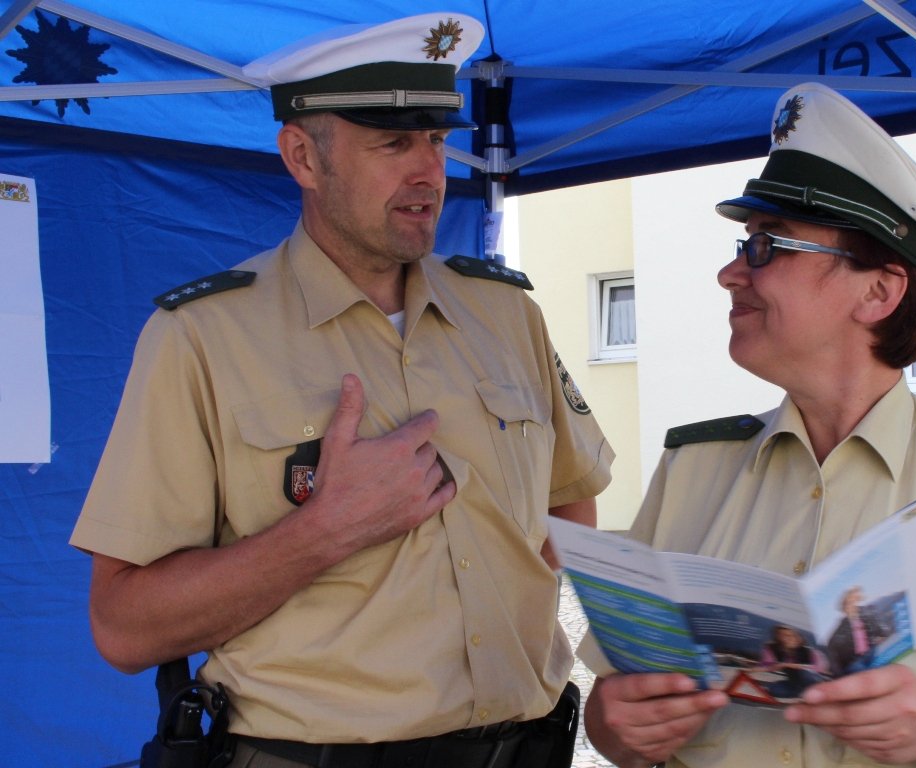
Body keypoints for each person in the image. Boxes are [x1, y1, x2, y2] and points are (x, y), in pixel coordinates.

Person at [69, 13, 614, 768]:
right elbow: (124, 627)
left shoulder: (507, 313)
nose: (429, 170)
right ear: (303, 156)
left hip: (526, 750)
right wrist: (323, 533)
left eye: (436, 139)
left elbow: (569, 506)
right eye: (392, 143)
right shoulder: (201, 336)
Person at [580, 83, 916, 767]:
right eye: (743, 244)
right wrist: (615, 722)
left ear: (878, 291)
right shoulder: (692, 470)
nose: (729, 273)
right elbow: (612, 720)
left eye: (766, 246)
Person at [823, 586, 891, 676]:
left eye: (852, 602)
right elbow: (831, 648)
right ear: (843, 608)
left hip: (871, 652)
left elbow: (882, 629)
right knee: (867, 675)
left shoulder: (867, 612)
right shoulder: (841, 628)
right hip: (855, 661)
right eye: (847, 604)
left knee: (884, 671)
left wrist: (881, 636)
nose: (850, 606)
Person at [756, 624, 827, 700]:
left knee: (804, 673)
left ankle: (818, 690)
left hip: (812, 679)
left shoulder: (808, 651)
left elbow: (818, 668)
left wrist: (788, 665)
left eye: (789, 636)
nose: (786, 639)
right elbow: (767, 665)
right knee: (774, 689)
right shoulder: (775, 650)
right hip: (795, 684)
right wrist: (753, 669)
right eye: (781, 636)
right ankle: (802, 693)